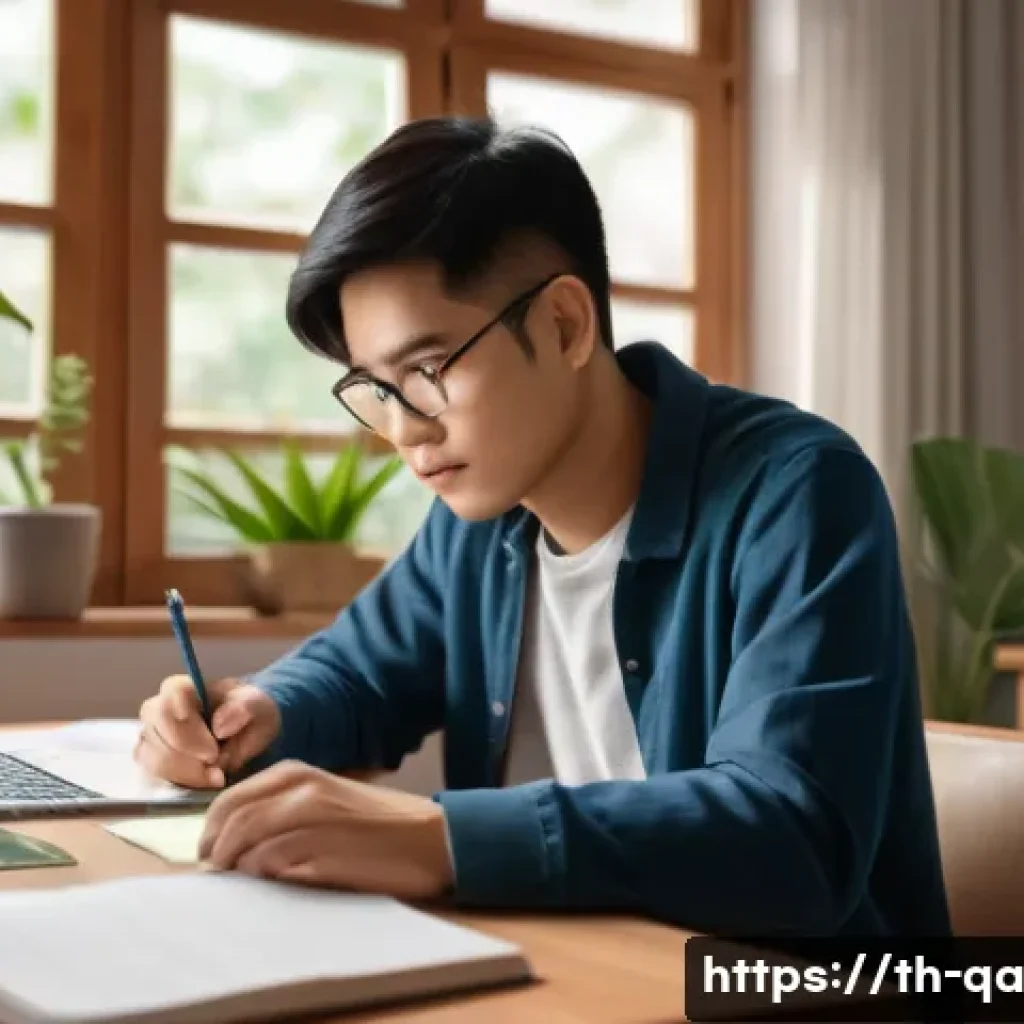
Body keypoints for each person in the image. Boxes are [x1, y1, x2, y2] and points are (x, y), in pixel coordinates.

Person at [134, 116, 951, 939]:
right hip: (566, 977)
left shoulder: (796, 492)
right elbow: (358, 679)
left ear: (565, 324)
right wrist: (257, 715)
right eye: (375, 389)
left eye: (426, 371)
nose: (405, 430)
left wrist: (441, 838)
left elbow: (791, 837)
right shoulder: (481, 520)